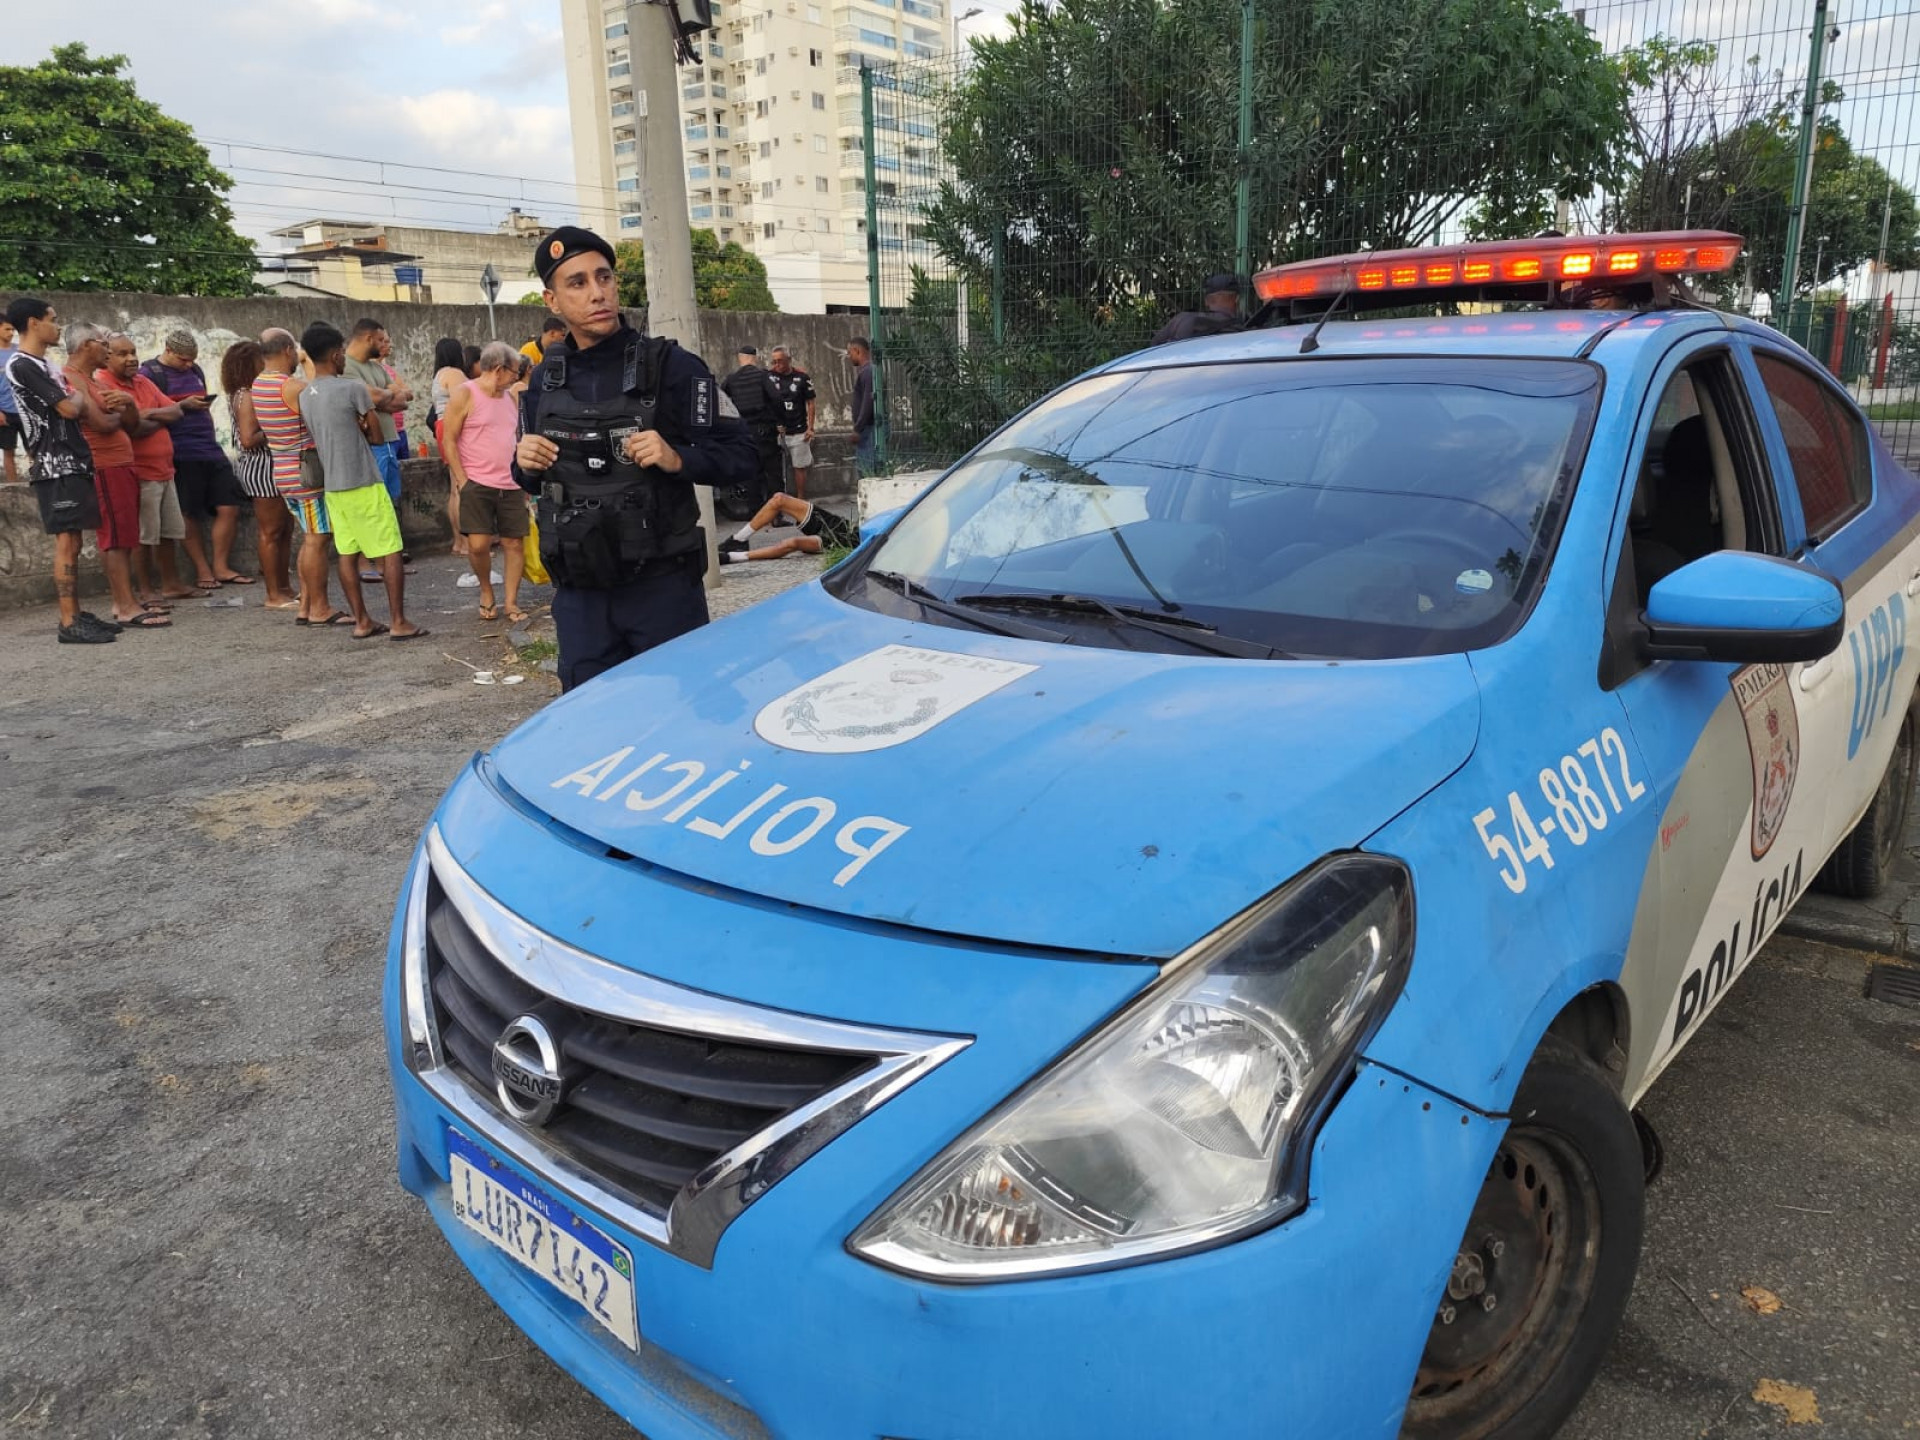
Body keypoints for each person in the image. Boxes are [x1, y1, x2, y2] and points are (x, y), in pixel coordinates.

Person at [511, 224, 757, 691]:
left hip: (661, 592)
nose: (597, 293)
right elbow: (526, 476)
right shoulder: (545, 380)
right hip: (582, 600)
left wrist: (676, 458)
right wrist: (524, 462)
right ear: (552, 301)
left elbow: (742, 454)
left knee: (680, 720)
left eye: (603, 277)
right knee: (593, 730)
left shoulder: (672, 367)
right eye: (577, 283)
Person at [291, 322, 426, 641]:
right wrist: (366, 427)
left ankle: (362, 621)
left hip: (333, 485)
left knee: (347, 554)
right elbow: (377, 436)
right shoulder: (350, 388)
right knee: (390, 549)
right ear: (337, 355)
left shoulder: (305, 395)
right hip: (363, 479)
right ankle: (398, 621)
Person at [3, 297, 118, 643]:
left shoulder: (44, 364)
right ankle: (69, 621)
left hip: (71, 459)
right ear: (34, 323)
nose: (58, 325)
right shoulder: (22, 365)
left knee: (74, 537)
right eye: (52, 319)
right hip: (54, 464)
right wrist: (78, 397)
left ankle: (76, 613)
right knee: (66, 542)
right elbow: (69, 407)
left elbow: (69, 402)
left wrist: (74, 397)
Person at [65, 322, 163, 629]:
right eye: (103, 344)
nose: (107, 350)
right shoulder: (71, 380)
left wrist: (129, 404)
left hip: (120, 464)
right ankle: (125, 605)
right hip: (104, 465)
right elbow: (103, 425)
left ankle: (126, 601)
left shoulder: (93, 382)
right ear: (85, 346)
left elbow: (131, 424)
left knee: (123, 536)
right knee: (116, 539)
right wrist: (120, 412)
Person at [140, 330, 250, 587]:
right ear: (168, 350)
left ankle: (221, 566)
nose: (188, 365)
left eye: (191, 360)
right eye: (183, 360)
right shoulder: (150, 374)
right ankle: (203, 571)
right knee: (188, 513)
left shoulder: (195, 371)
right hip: (180, 451)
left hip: (209, 448)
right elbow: (147, 411)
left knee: (229, 506)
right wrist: (182, 405)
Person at [97, 334, 195, 607]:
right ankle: (146, 590)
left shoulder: (143, 381)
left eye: (133, 351)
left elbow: (176, 412)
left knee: (166, 532)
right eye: (122, 354)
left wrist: (148, 414)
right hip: (139, 471)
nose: (131, 358)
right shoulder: (104, 383)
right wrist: (157, 416)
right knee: (142, 536)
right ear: (108, 357)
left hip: (164, 469)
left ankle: (171, 583)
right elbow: (132, 428)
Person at [255, 327, 340, 626]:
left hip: (283, 471)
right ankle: (320, 607)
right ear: (288, 351)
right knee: (318, 539)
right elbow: (323, 393)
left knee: (309, 538)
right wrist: (308, 362)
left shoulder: (259, 384)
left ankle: (306, 604)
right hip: (305, 473)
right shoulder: (289, 386)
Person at [445, 341, 530, 623]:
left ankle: (511, 602)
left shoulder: (510, 398)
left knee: (514, 543)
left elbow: (517, 438)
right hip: (477, 483)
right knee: (478, 545)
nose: (516, 377)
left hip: (511, 482)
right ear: (498, 369)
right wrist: (462, 479)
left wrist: (524, 479)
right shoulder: (464, 394)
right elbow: (449, 439)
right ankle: (485, 591)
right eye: (514, 372)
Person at [221, 340, 298, 609]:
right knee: (271, 532)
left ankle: (284, 588)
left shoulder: (249, 392)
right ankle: (273, 593)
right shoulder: (247, 394)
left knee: (285, 529)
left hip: (270, 465)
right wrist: (279, 429)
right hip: (261, 467)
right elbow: (248, 438)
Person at [343, 319, 409, 505]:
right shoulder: (346, 366)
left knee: (392, 500)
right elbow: (374, 398)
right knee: (376, 502)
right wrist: (383, 396)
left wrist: (379, 397)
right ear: (369, 339)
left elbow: (403, 399)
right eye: (381, 340)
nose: (384, 345)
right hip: (370, 445)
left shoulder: (376, 367)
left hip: (389, 442)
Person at [720, 344, 782, 515]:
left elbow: (720, 398)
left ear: (740, 359)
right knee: (773, 474)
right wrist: (779, 421)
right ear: (755, 358)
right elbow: (777, 398)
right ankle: (776, 515)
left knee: (751, 473)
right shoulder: (762, 376)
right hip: (765, 431)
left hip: (744, 432)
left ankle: (756, 513)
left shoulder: (731, 379)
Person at [717, 493, 857, 564]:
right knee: (779, 498)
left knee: (792, 543)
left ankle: (732, 557)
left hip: (846, 540)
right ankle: (739, 539)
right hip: (844, 526)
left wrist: (728, 558)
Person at [428, 336, 471, 554]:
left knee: (454, 487)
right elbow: (465, 402)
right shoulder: (455, 374)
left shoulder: (438, 375)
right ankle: (466, 544)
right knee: (462, 486)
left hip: (442, 426)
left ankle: (458, 542)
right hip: (454, 426)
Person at [765, 345, 816, 499]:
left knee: (799, 467)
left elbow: (811, 402)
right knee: (775, 469)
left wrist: (811, 428)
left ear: (789, 360)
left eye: (780, 361)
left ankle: (800, 499)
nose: (776, 365)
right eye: (774, 362)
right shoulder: (768, 377)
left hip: (798, 430)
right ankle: (777, 501)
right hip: (777, 431)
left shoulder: (802, 377)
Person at [1151, 273, 1244, 345]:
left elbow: (1155, 343)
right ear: (1237, 299)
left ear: (1206, 301)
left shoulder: (1182, 320)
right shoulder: (1243, 330)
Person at [847, 335, 877, 476]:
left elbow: (868, 402)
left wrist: (858, 428)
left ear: (857, 351)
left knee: (867, 472)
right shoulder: (867, 372)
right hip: (867, 429)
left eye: (850, 353)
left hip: (869, 430)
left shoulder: (868, 372)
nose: (849, 356)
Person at [0, 316, 20, 485]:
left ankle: (39, 483)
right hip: (5, 411)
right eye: (7, 329)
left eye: (12, 329)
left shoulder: (19, 350)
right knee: (8, 451)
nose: (11, 333)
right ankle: (14, 487)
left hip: (24, 409)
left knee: (34, 449)